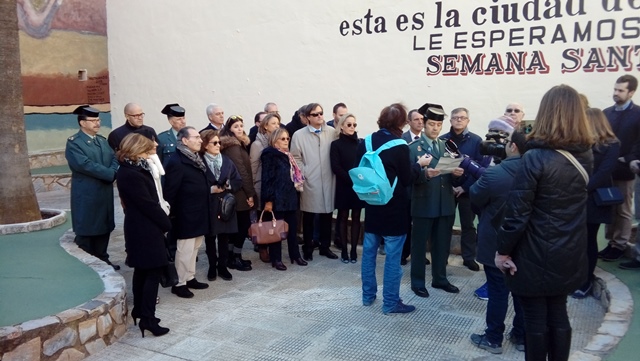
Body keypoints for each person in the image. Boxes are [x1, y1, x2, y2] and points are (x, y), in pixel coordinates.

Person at [495, 84, 594, 361]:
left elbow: (517, 214)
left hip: (534, 252)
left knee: (535, 319)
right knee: (559, 313)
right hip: (569, 250)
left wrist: (502, 252)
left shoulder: (534, 158)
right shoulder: (585, 156)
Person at [357, 103, 432, 314]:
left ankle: (367, 296)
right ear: (401, 123)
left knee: (369, 254)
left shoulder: (367, 141)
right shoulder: (399, 145)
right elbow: (407, 178)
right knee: (392, 258)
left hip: (372, 205)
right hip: (394, 208)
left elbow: (358, 170)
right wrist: (420, 165)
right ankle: (390, 303)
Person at [469, 125, 526, 354]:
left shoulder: (495, 174)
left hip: (496, 242)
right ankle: (521, 336)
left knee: (498, 293)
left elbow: (475, 197)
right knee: (522, 292)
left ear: (512, 146)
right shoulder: (539, 172)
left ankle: (493, 338)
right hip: (526, 244)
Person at [115, 134, 171, 337]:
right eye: (147, 150)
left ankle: (140, 311)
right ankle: (147, 318)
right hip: (143, 228)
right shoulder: (131, 173)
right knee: (152, 271)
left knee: (143, 271)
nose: (150, 152)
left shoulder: (134, 169)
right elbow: (147, 204)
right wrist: (166, 223)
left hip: (143, 226)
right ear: (136, 150)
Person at [409, 104, 464, 298]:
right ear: (423, 124)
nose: (435, 128)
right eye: (431, 124)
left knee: (442, 245)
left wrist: (456, 173)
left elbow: (448, 175)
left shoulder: (445, 146)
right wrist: (424, 174)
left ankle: (440, 278)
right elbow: (408, 177)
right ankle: (417, 281)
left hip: (445, 203)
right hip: (424, 203)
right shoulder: (413, 148)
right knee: (419, 245)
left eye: (438, 125)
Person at [65, 105, 120, 270]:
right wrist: (110, 174)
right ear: (82, 123)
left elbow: (115, 158)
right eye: (93, 120)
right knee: (88, 227)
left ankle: (103, 258)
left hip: (103, 191)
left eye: (98, 120)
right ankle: (87, 264)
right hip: (87, 193)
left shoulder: (102, 141)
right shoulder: (75, 143)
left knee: (104, 225)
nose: (97, 123)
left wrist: (112, 170)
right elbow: (85, 165)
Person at [573, 108, 620, 296]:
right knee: (577, 241)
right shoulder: (580, 142)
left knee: (589, 240)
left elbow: (604, 173)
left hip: (593, 199)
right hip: (579, 196)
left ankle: (585, 282)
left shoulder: (611, 144)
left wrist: (582, 188)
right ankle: (578, 278)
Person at [163, 126, 212, 298]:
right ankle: (180, 283)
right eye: (196, 137)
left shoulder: (194, 157)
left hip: (198, 211)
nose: (200, 140)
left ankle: (190, 277)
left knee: (195, 247)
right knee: (184, 249)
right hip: (185, 214)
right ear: (184, 140)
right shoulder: (176, 161)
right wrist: (173, 214)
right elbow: (170, 191)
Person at [290, 103, 339, 260]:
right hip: (310, 180)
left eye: (321, 113)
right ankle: (308, 247)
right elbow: (295, 157)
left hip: (328, 179)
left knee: (327, 215)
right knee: (309, 216)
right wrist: (305, 173)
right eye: (315, 114)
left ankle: (325, 247)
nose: (319, 116)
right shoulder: (299, 135)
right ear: (307, 117)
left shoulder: (331, 132)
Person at [599, 74, 640, 261]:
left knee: (623, 209)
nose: (615, 93)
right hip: (607, 169)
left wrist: (629, 158)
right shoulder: (606, 113)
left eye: (620, 90)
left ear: (631, 92)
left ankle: (620, 244)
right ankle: (610, 242)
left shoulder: (638, 114)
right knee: (609, 206)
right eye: (615, 89)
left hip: (625, 169)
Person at [439, 107, 484, 271]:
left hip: (467, 191)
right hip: (447, 190)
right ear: (450, 121)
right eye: (455, 117)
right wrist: (451, 185)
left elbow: (480, 168)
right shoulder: (442, 140)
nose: (459, 120)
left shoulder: (476, 141)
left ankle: (468, 258)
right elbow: (440, 167)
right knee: (444, 225)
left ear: (468, 121)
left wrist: (464, 187)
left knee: (468, 225)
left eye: (462, 118)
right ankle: (441, 257)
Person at [199, 129, 244, 281]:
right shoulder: (199, 162)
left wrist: (228, 186)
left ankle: (222, 266)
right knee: (210, 238)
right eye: (214, 143)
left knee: (224, 238)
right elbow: (194, 184)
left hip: (225, 206)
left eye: (219, 142)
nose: (218, 145)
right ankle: (212, 266)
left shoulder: (227, 161)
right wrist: (209, 189)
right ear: (205, 145)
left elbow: (238, 180)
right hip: (208, 205)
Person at [261, 128, 308, 269]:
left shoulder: (288, 155)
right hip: (277, 199)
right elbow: (267, 179)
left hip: (290, 197)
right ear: (274, 141)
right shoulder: (270, 155)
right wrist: (268, 200)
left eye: (287, 138)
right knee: (277, 230)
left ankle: (295, 255)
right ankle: (276, 259)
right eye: (283, 139)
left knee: (293, 229)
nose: (286, 141)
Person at [219, 115, 256, 271]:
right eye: (236, 126)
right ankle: (234, 257)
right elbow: (242, 172)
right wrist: (250, 194)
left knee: (239, 226)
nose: (240, 129)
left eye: (241, 125)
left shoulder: (239, 144)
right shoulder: (233, 147)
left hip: (240, 190)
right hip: (240, 191)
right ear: (229, 130)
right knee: (242, 225)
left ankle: (233, 256)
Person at [330, 113, 364, 263]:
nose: (352, 127)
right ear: (342, 126)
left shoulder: (360, 143)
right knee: (343, 217)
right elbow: (335, 166)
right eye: (349, 124)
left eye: (354, 125)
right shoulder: (336, 145)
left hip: (358, 187)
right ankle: (344, 250)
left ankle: (354, 251)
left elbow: (364, 164)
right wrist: (351, 179)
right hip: (344, 185)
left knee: (356, 217)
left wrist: (359, 180)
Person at [250, 112, 283, 263]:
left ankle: (272, 244)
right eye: (274, 123)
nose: (277, 126)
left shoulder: (277, 143)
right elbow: (253, 167)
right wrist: (252, 189)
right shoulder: (258, 144)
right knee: (262, 217)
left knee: (272, 218)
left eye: (278, 123)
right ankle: (262, 247)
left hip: (275, 186)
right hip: (261, 184)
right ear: (265, 126)